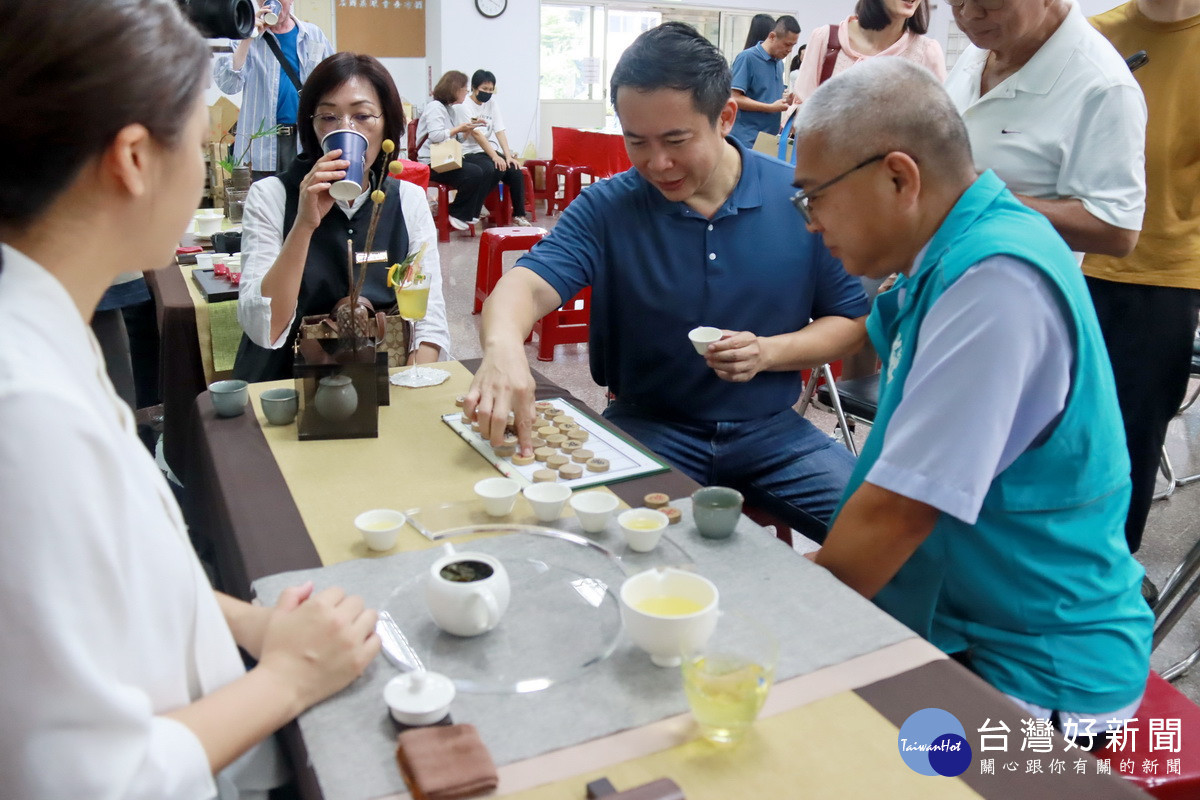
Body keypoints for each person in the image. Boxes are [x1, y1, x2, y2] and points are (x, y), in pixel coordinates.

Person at [0, 1, 380, 797]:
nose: (209, 161)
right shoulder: (28, 413)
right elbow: (92, 778)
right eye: (195, 134)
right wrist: (288, 677)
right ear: (135, 158)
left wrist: (254, 624)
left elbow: (124, 570)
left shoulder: (46, 337)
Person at [793, 57, 1151, 732]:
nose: (809, 222)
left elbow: (898, 512)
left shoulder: (995, 280)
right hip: (967, 613)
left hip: (1030, 662)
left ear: (899, 177)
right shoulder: (946, 250)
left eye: (813, 196)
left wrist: (779, 627)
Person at [466, 22, 869, 541]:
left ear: (725, 117)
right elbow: (525, 286)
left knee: (898, 535)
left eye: (677, 140)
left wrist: (769, 353)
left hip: (774, 432)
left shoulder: (796, 196)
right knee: (587, 539)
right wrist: (502, 349)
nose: (657, 163)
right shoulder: (609, 207)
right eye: (637, 142)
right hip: (649, 429)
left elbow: (851, 319)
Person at [234, 53, 450, 382]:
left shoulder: (408, 200)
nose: (345, 128)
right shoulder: (272, 196)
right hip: (286, 383)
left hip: (383, 380)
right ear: (312, 127)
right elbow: (264, 328)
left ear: (387, 126)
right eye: (328, 117)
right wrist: (304, 225)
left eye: (362, 115)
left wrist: (414, 381)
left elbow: (428, 317)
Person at [1084, 0, 1200, 559]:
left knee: (1130, 446)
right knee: (1049, 435)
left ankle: (1105, 587)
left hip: (1165, 278)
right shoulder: (1092, 36)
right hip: (1072, 262)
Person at [786, 0, 946, 383]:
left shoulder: (924, 50)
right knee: (791, 304)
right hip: (821, 203)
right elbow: (801, 121)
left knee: (867, 317)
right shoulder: (827, 41)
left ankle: (851, 415)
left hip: (883, 212)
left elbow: (935, 138)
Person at [944, 0, 1146, 261]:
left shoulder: (1104, 86)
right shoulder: (983, 48)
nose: (969, 13)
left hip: (1009, 292)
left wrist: (977, 200)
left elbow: (1117, 231)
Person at [213, 0, 333, 180]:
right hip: (260, 145)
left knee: (300, 202)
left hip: (304, 141)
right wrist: (248, 37)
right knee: (261, 205)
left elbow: (334, 83)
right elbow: (229, 85)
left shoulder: (313, 35)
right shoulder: (245, 35)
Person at [417, 70, 491, 231]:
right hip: (430, 161)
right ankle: (456, 212)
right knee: (473, 173)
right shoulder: (435, 107)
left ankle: (468, 212)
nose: (466, 92)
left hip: (443, 157)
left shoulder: (449, 109)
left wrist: (468, 129)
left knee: (485, 169)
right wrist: (459, 128)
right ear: (455, 89)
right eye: (464, 88)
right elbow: (436, 136)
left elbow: (455, 140)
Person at [461, 69, 533, 227]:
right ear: (473, 87)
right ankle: (478, 205)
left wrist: (508, 156)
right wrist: (495, 156)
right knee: (496, 167)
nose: (487, 93)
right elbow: (477, 135)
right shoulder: (465, 105)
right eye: (484, 89)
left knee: (514, 170)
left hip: (485, 150)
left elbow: (500, 130)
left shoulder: (491, 103)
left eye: (490, 90)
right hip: (468, 151)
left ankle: (519, 214)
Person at [729, 16, 801, 149]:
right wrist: (770, 108)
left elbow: (769, 97)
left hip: (768, 141)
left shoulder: (778, 63)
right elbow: (734, 98)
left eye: (793, 45)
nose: (790, 50)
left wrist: (787, 100)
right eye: (787, 44)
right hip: (746, 141)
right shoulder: (747, 58)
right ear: (772, 36)